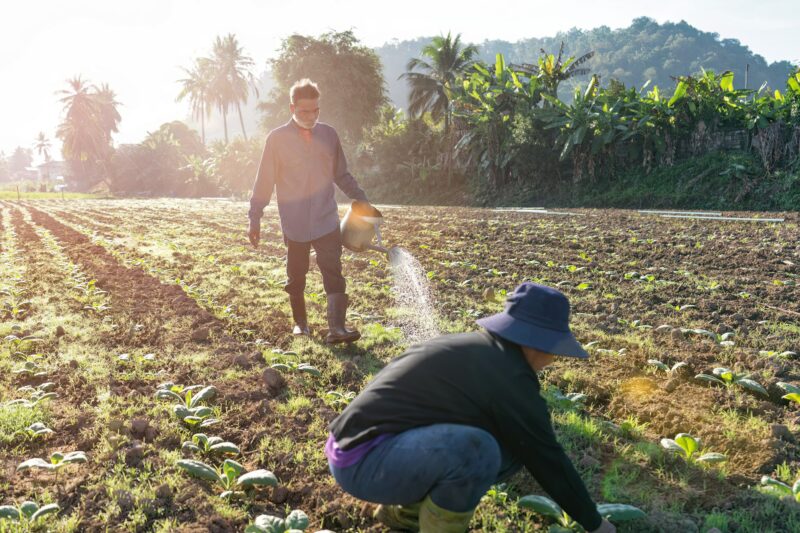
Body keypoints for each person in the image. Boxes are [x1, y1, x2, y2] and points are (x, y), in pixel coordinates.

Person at [325, 282, 616, 533]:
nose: (553, 359)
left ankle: (404, 515)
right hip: (363, 462)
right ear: (537, 343)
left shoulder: (482, 351)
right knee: (478, 450)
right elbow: (546, 455)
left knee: (510, 449)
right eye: (554, 349)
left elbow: (530, 445)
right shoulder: (508, 374)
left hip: (362, 450)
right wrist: (595, 523)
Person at [248, 78, 372, 344]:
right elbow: (264, 181)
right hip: (294, 222)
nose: (312, 116)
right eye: (305, 111)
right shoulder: (277, 139)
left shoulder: (329, 135)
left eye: (316, 110)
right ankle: (300, 324)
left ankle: (337, 328)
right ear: (292, 108)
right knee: (296, 274)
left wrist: (361, 199)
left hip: (326, 218)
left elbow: (342, 174)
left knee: (333, 270)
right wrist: (254, 217)